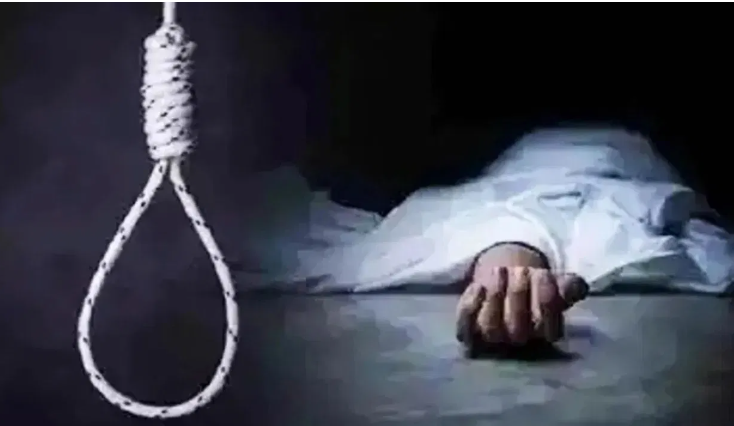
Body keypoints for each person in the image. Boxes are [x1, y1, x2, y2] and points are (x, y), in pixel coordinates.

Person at [233, 126, 734, 349]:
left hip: (618, 156)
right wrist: (511, 258)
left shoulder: (628, 179)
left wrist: (514, 261)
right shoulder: (503, 180)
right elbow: (516, 204)